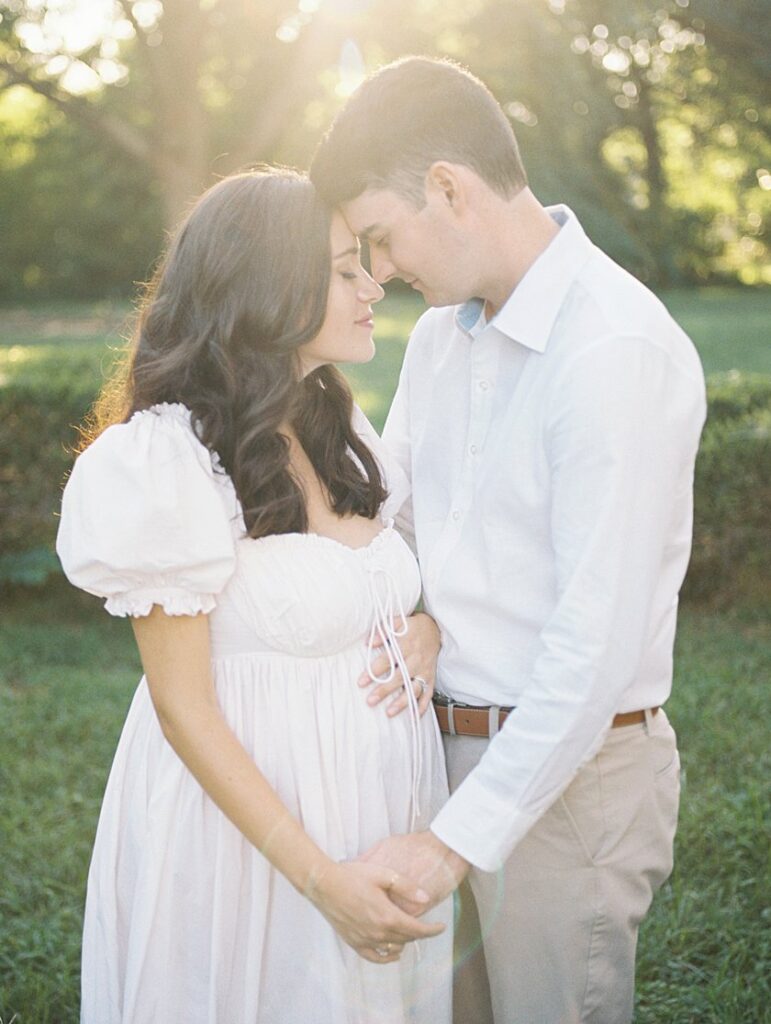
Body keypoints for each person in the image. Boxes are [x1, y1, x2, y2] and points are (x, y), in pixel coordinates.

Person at [310, 57, 707, 1023]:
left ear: (447, 187)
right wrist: (425, 616)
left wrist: (454, 843)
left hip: (572, 784)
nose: (383, 271)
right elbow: (390, 510)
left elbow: (592, 652)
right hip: (438, 751)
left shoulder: (613, 348)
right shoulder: (448, 336)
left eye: (380, 237)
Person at [56, 167, 453, 1024]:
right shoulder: (164, 461)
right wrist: (318, 876)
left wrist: (421, 628)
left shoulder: (335, 427)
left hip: (378, 804)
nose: (372, 284)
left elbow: (372, 582)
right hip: (249, 840)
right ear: (268, 287)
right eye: (345, 268)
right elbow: (182, 709)